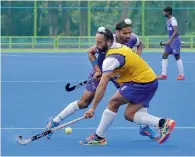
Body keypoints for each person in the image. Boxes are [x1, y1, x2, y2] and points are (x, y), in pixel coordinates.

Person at [45, 19, 157, 140]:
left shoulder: (133, 38)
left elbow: (140, 45)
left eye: (130, 32)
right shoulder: (105, 42)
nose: (128, 36)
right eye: (125, 33)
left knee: (136, 95)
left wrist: (137, 57)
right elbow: (90, 52)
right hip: (101, 71)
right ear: (117, 33)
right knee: (84, 102)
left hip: (118, 73)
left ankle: (144, 126)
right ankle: (54, 122)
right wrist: (97, 70)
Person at [80, 27, 176, 145]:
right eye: (96, 42)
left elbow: (102, 85)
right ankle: (163, 123)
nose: (97, 46)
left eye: (100, 42)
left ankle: (99, 137)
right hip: (150, 81)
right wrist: (109, 74)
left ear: (109, 41)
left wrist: (92, 108)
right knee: (129, 114)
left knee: (113, 102)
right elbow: (123, 66)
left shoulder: (110, 59)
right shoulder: (118, 46)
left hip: (141, 82)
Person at [157, 6, 185, 80]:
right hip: (170, 40)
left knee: (177, 56)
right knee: (165, 55)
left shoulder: (173, 20)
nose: (164, 13)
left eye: (165, 12)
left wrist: (170, 40)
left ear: (168, 12)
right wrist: (168, 40)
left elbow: (176, 31)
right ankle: (163, 75)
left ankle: (181, 75)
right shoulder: (168, 20)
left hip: (175, 40)